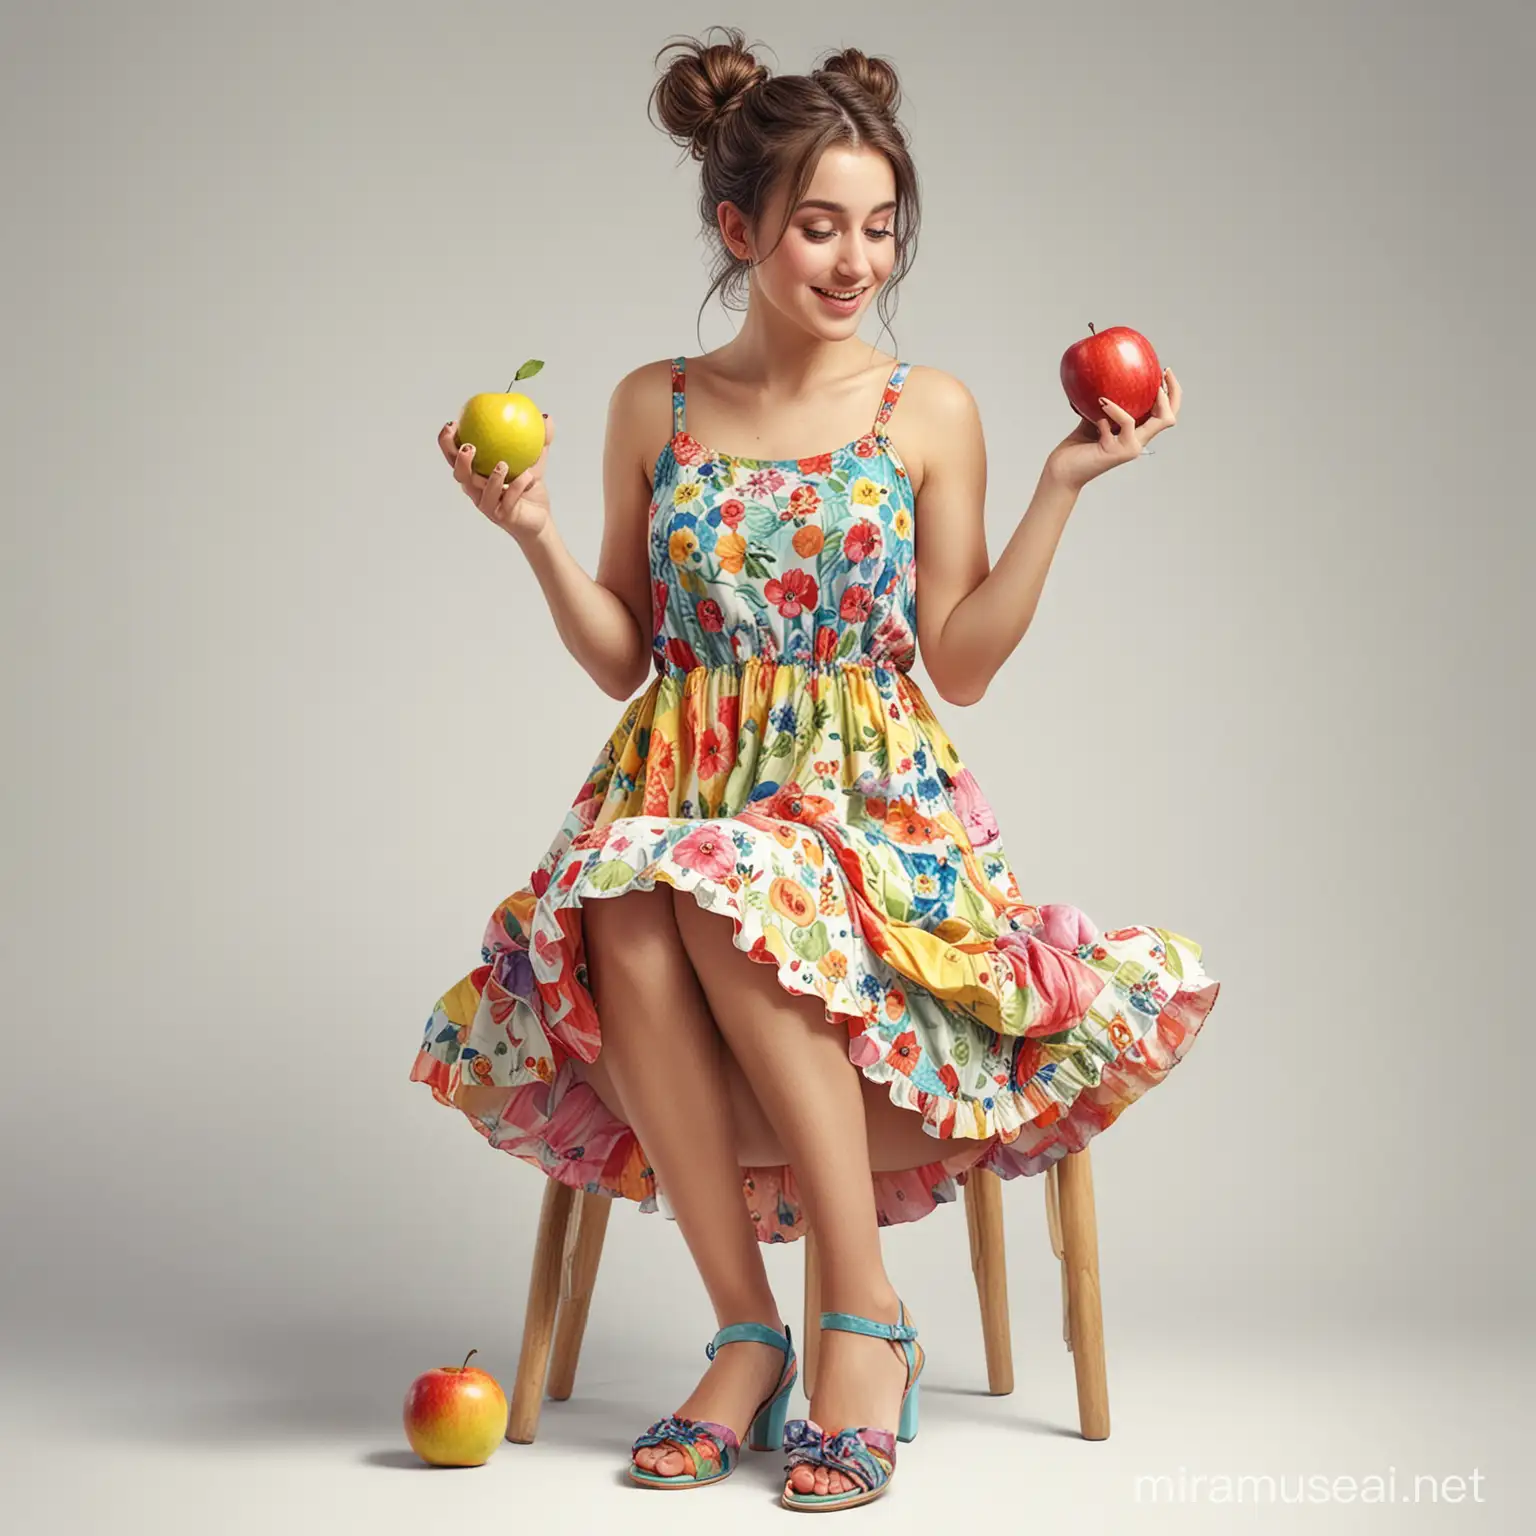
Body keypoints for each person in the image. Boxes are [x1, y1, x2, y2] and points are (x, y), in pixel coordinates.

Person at [412, 25, 1220, 1514]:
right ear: (740, 229)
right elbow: (625, 655)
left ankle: (865, 1319)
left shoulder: (930, 411)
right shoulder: (652, 403)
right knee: (635, 889)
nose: (856, 260)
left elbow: (958, 660)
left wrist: (1061, 488)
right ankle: (746, 1332)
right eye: (818, 225)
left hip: (869, 819)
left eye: (879, 227)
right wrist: (526, 533)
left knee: (715, 879)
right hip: (685, 782)